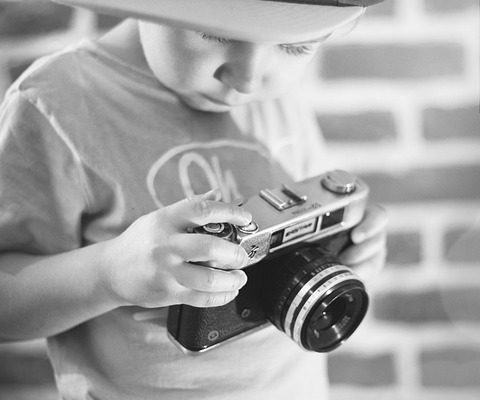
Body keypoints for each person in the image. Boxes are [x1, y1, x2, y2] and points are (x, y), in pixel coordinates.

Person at [0, 0, 388, 399]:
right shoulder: (57, 103)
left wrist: (353, 249)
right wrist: (108, 274)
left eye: (296, 45)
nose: (247, 80)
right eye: (218, 33)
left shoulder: (280, 99)